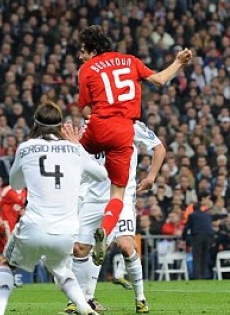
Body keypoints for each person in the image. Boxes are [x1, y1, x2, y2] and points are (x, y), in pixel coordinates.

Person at [0, 102, 107, 315]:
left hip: (34, 225)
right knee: (62, 271)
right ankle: (83, 306)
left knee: (7, 265)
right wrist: (77, 147)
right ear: (61, 126)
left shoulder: (26, 147)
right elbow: (102, 175)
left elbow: (16, 184)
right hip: (67, 230)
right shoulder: (75, 149)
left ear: (35, 124)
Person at [77, 25, 192, 265]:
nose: (80, 56)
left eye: (83, 51)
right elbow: (160, 80)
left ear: (92, 50)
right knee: (118, 191)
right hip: (123, 130)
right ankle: (105, 230)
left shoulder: (86, 69)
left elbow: (86, 110)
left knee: (71, 158)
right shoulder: (130, 61)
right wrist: (179, 61)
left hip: (97, 127)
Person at [64, 121, 165, 315]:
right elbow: (79, 163)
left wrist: (151, 177)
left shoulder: (130, 125)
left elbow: (159, 148)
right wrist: (73, 146)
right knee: (80, 249)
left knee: (126, 246)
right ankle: (77, 301)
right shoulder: (87, 128)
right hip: (93, 198)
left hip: (122, 197)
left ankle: (140, 299)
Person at [182, 192, 214, 280]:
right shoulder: (207, 215)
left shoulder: (192, 215)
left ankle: (197, 276)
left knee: (197, 257)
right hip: (208, 236)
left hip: (197, 237)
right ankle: (204, 275)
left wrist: (183, 237)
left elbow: (187, 227)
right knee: (205, 256)